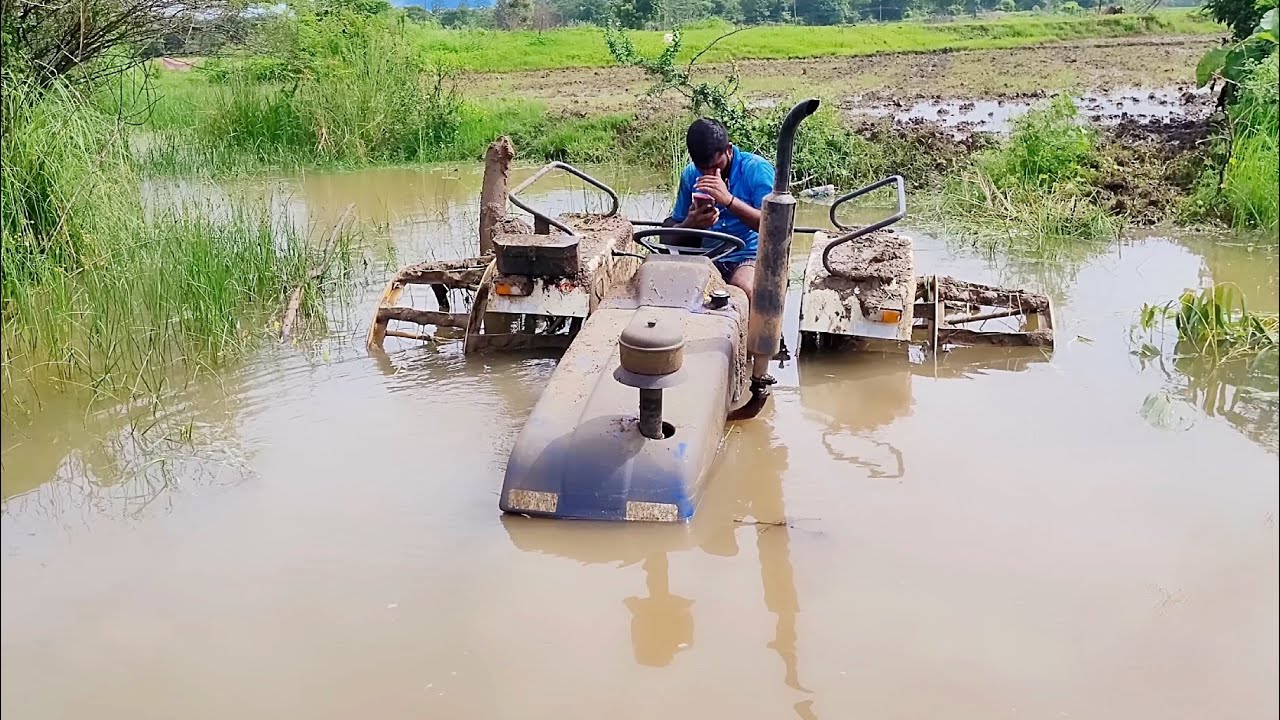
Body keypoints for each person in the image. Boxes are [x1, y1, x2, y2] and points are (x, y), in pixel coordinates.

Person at [667, 118, 776, 300]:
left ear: (729, 150)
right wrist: (691, 224)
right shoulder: (690, 175)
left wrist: (729, 200)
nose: (710, 174)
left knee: (742, 289)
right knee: (671, 288)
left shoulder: (756, 169)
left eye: (716, 166)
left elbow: (773, 227)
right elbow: (670, 233)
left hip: (747, 254)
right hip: (706, 255)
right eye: (703, 169)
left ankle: (752, 328)